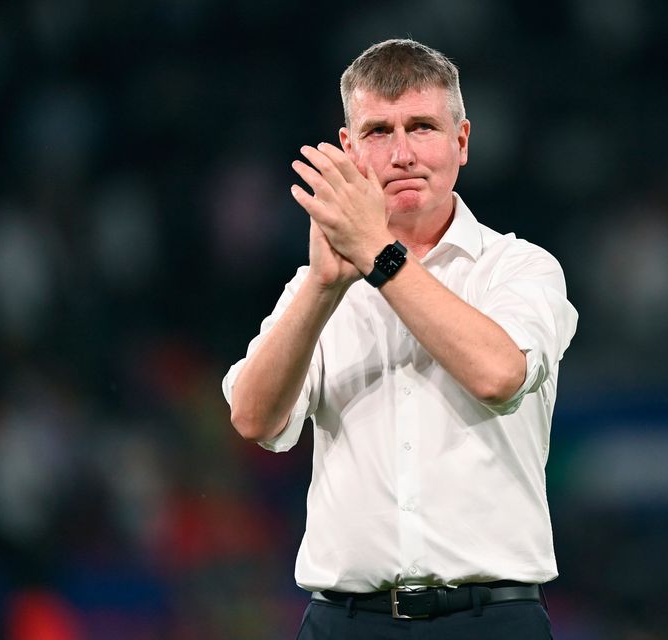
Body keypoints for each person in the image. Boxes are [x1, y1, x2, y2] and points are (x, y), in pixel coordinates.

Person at [222, 38, 577, 639]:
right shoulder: (317, 286)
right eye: (379, 132)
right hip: (343, 620)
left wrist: (377, 257)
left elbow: (499, 376)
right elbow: (253, 420)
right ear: (349, 149)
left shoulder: (520, 267)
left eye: (422, 127)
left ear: (462, 141)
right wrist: (320, 288)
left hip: (491, 620)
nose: (403, 152)